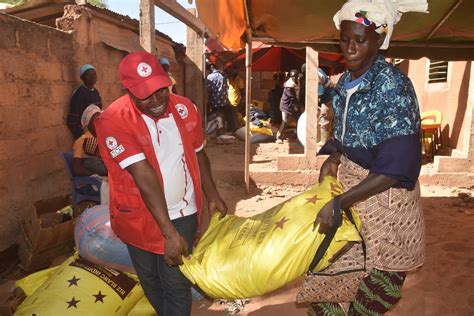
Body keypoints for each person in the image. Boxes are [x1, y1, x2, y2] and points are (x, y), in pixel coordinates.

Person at [310, 1, 428, 315]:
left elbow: (395, 168)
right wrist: (334, 155)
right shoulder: (344, 84)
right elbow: (349, 133)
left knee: (371, 301)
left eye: (360, 40)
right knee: (325, 296)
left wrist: (338, 203)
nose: (350, 47)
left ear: (378, 41)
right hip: (352, 199)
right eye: (345, 39)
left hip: (386, 207)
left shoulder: (392, 86)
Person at [95, 51, 228, 316]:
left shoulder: (184, 108)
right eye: (145, 95)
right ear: (128, 90)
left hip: (183, 212)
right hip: (137, 217)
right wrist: (168, 233)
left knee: (177, 284)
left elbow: (199, 153)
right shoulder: (113, 120)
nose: (156, 101)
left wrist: (212, 194)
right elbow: (142, 174)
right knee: (151, 281)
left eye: (160, 90)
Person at [67, 64, 102, 139]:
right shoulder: (79, 94)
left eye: (94, 74)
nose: (92, 77)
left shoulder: (96, 92)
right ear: (82, 78)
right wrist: (81, 136)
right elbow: (72, 119)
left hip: (98, 130)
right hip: (86, 133)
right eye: (88, 74)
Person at [72, 104, 107, 177]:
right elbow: (76, 169)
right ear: (88, 125)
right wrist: (97, 176)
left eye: (99, 120)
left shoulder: (105, 136)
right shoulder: (83, 140)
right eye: (94, 122)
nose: (98, 124)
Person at [206, 63, 237, 132]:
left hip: (215, 101)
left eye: (208, 68)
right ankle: (232, 130)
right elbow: (227, 87)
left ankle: (219, 131)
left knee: (217, 116)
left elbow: (208, 89)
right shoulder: (223, 76)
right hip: (224, 100)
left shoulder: (209, 77)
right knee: (228, 116)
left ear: (211, 67)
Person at [276, 69, 299, 144]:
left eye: (295, 76)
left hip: (290, 105)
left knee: (296, 119)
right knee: (285, 121)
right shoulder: (289, 86)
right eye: (293, 77)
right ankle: (278, 137)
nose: (294, 78)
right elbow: (292, 97)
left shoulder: (295, 82)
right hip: (286, 105)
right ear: (290, 77)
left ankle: (296, 135)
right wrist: (296, 106)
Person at [317, 68, 334, 145]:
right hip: (329, 97)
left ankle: (324, 141)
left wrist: (316, 104)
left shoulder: (316, 74)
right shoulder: (318, 71)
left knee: (324, 117)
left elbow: (320, 93)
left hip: (328, 98)